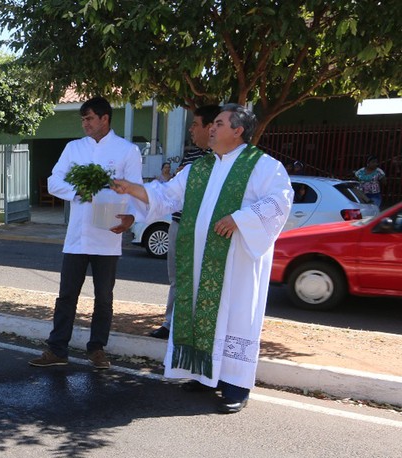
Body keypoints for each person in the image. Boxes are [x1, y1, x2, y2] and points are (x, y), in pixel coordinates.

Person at [111, 104, 293, 413]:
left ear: (238, 130)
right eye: (212, 124)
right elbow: (167, 196)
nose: (211, 128)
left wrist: (240, 218)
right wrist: (133, 189)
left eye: (219, 124)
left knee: (234, 316)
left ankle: (235, 384)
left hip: (236, 264)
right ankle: (203, 373)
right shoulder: (200, 168)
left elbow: (281, 201)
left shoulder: (263, 166)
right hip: (198, 261)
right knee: (199, 310)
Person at [29, 96, 143, 370]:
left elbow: (137, 189)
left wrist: (132, 219)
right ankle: (57, 349)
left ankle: (97, 349)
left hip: (108, 233)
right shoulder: (73, 148)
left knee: (103, 297)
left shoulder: (127, 150)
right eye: (82, 119)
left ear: (105, 118)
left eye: (89, 118)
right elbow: (54, 181)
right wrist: (76, 191)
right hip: (78, 235)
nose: (85, 124)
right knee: (67, 295)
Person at [148, 105, 221, 340]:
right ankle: (171, 324)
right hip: (179, 224)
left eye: (194, 124)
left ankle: (196, 327)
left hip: (203, 228)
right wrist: (170, 180)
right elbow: (175, 191)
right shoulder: (191, 155)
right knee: (176, 277)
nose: (190, 129)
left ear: (211, 127)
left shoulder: (221, 161)